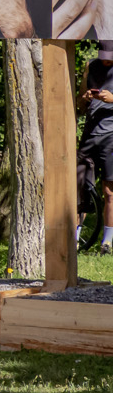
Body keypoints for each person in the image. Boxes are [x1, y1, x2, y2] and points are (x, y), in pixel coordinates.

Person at [81, 59, 113, 252]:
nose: (106, 59)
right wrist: (84, 97)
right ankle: (74, 238)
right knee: (80, 189)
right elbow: (78, 104)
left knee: (109, 192)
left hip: (111, 137)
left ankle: (107, 243)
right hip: (90, 135)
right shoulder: (91, 66)